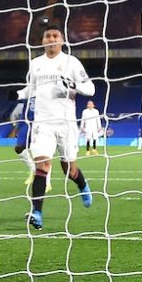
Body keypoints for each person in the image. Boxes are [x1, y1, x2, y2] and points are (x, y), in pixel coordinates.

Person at [25, 23, 95, 230]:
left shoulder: (71, 62)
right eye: (48, 36)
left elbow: (90, 88)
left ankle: (82, 184)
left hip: (66, 124)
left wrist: (73, 85)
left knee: (68, 169)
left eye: (55, 35)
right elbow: (31, 90)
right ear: (43, 40)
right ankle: (36, 211)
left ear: (62, 40)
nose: (51, 39)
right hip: (43, 123)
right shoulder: (35, 63)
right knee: (42, 164)